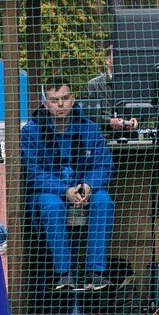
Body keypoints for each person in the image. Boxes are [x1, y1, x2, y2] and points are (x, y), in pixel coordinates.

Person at [22, 78, 114, 292]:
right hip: (51, 191)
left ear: (73, 100)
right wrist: (64, 190)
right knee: (51, 205)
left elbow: (105, 165)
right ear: (45, 104)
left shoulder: (90, 128)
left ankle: (95, 273)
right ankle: (64, 274)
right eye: (55, 100)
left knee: (104, 201)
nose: (61, 105)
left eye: (65, 98)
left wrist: (88, 186)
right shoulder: (31, 131)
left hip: (83, 187)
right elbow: (33, 171)